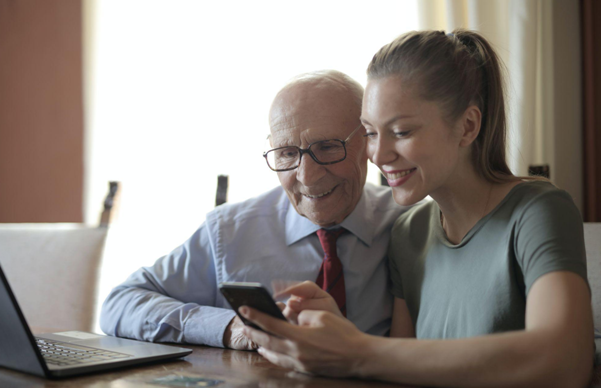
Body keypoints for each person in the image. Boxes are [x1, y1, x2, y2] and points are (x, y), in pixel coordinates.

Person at [241, 30, 594, 387]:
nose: (378, 155)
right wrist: (339, 334)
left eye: (401, 131)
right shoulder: (409, 232)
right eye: (371, 133)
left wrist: (355, 350)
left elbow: (565, 361)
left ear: (467, 126)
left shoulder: (538, 210)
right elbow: (398, 369)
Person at [99, 70, 410, 350]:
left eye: (327, 147)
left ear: (369, 141)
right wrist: (228, 327)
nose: (306, 176)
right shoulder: (230, 232)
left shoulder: (412, 227)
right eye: (288, 153)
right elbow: (119, 304)